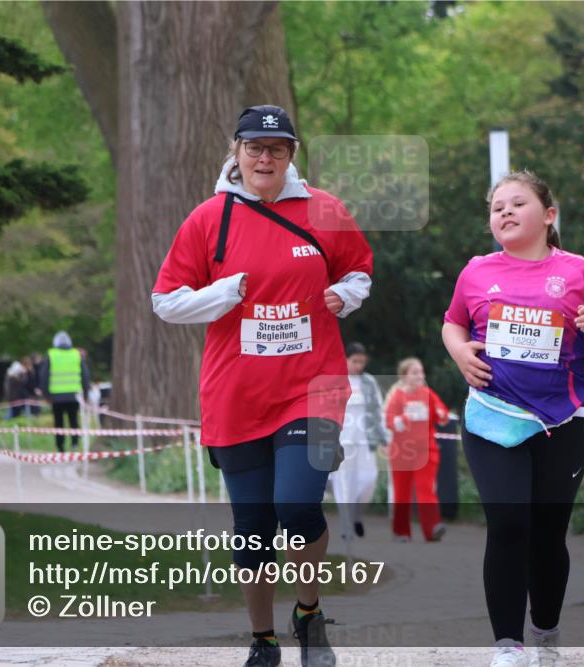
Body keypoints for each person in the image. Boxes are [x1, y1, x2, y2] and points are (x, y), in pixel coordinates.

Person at [152, 104, 373, 667]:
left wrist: (346, 296)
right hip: (236, 395)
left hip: (313, 386)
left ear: (291, 155)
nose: (264, 157)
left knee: (296, 505)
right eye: (254, 147)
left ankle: (308, 611)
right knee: (252, 528)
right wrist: (218, 296)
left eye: (276, 149)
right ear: (237, 152)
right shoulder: (209, 218)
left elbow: (358, 270)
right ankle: (263, 639)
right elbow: (165, 301)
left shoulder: (324, 210)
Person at [442, 170, 584, 667]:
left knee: (547, 536)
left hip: (559, 422)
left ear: (548, 215)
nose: (503, 212)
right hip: (493, 417)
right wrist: (461, 352)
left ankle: (545, 631)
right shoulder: (477, 271)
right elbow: (452, 322)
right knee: (507, 522)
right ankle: (507, 644)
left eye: (516, 203)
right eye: (496, 207)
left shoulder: (578, 272)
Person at [383, 357, 449, 543]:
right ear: (404, 376)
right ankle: (401, 531)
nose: (420, 376)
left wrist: (442, 415)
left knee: (425, 489)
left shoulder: (428, 394)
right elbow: (388, 421)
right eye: (415, 372)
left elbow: (442, 415)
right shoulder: (397, 396)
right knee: (402, 493)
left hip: (426, 450)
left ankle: (432, 528)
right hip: (402, 452)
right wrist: (402, 420)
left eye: (421, 372)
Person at [330, 342, 386, 539]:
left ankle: (356, 515)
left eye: (362, 362)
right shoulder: (335, 380)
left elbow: (378, 410)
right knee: (343, 483)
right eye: (355, 361)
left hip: (364, 442)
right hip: (342, 442)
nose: (358, 366)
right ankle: (346, 526)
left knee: (367, 480)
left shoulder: (369, 383)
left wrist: (383, 438)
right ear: (346, 359)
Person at [39, 331, 90, 452]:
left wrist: (45, 394)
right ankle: (75, 443)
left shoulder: (51, 354)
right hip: (74, 395)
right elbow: (85, 375)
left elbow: (44, 376)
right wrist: (86, 393)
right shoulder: (76, 355)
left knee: (59, 422)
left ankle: (60, 447)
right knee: (73, 420)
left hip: (56, 397)